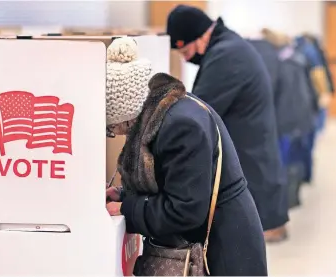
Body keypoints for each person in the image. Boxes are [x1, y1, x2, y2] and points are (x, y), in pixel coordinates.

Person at [105, 37, 267, 275]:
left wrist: (127, 208)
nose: (114, 133)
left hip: (221, 252)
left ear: (128, 114)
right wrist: (124, 194)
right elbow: (173, 181)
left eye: (112, 127)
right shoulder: (169, 111)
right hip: (212, 239)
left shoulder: (181, 127)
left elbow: (184, 211)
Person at [166, 5, 290, 242]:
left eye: (186, 51)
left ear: (200, 37)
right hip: (252, 158)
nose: (187, 59)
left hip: (252, 170)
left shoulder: (227, 56)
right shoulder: (228, 46)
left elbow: (197, 111)